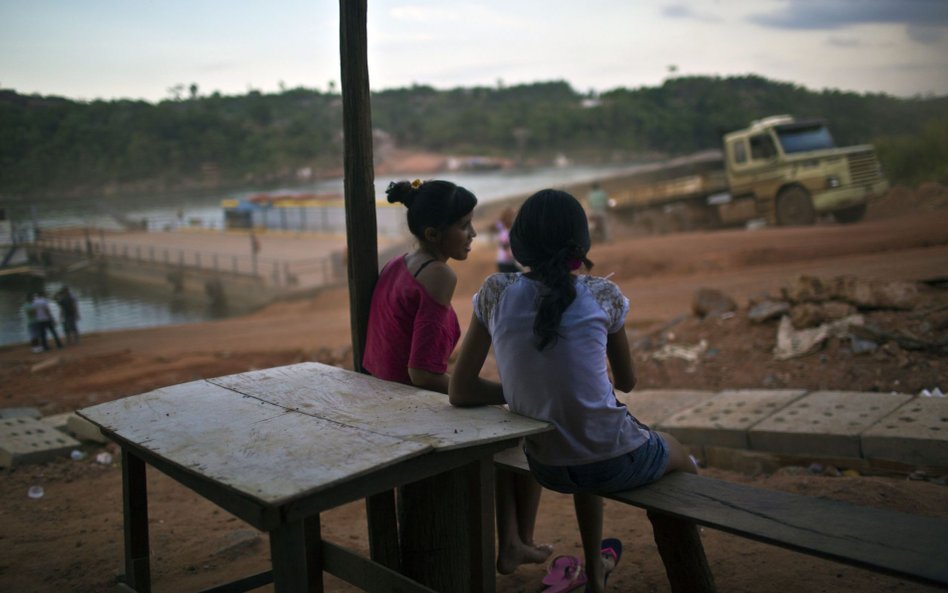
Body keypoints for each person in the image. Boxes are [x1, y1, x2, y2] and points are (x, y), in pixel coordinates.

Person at [449, 189, 697, 593]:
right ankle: (691, 557)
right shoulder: (602, 294)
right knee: (679, 453)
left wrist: (524, 394)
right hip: (611, 460)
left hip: (548, 467)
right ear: (580, 245)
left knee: (586, 445)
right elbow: (628, 382)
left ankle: (595, 575)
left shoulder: (494, 293)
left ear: (519, 244)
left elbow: (460, 390)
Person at [363, 178, 552, 574]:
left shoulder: (400, 263)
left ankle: (515, 542)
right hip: (406, 405)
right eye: (464, 225)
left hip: (380, 394)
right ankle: (518, 541)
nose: (473, 234)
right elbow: (420, 373)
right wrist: (497, 392)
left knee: (505, 426)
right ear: (433, 234)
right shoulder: (439, 276)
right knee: (524, 422)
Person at [493, 207, 519, 273]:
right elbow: (503, 243)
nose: (512, 218)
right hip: (504, 261)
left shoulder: (512, 227)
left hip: (511, 261)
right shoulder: (502, 228)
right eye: (511, 216)